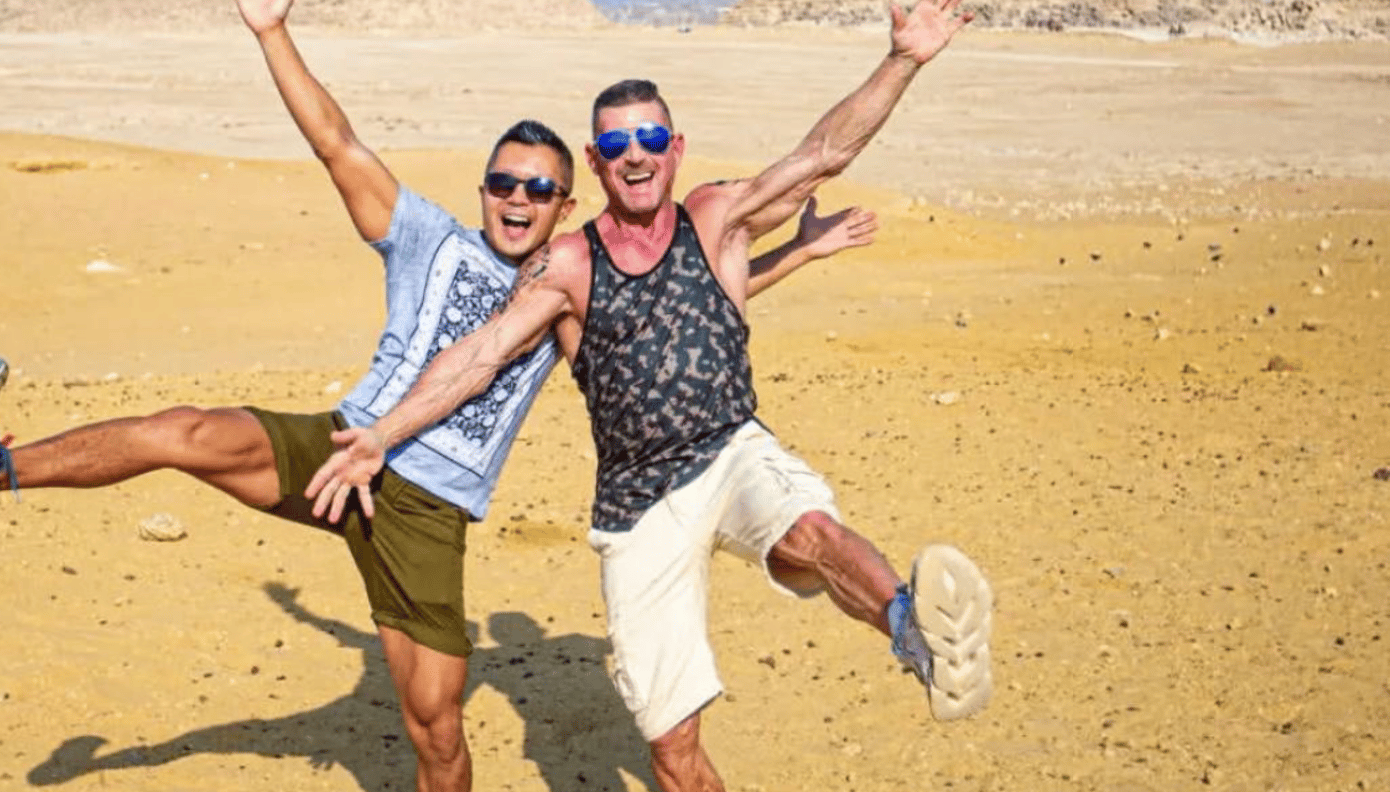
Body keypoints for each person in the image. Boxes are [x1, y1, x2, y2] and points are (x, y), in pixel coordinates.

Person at [0, 1, 879, 789]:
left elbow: (681, 308)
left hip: (427, 514)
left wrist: (797, 253)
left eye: (537, 190)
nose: (516, 199)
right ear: (483, 187)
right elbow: (337, 141)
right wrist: (272, 32)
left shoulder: (566, 287)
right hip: (341, 448)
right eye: (502, 182)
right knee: (181, 431)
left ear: (564, 203)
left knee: (437, 735)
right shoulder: (424, 236)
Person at [308, 2, 993, 790]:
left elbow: (821, 155)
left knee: (809, 529)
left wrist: (903, 59)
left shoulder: (718, 218)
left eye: (649, 139)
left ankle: (915, 633)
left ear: (675, 149)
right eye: (613, 145)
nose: (633, 155)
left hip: (730, 449)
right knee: (671, 745)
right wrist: (380, 435)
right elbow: (479, 356)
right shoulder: (569, 263)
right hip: (637, 509)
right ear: (595, 165)